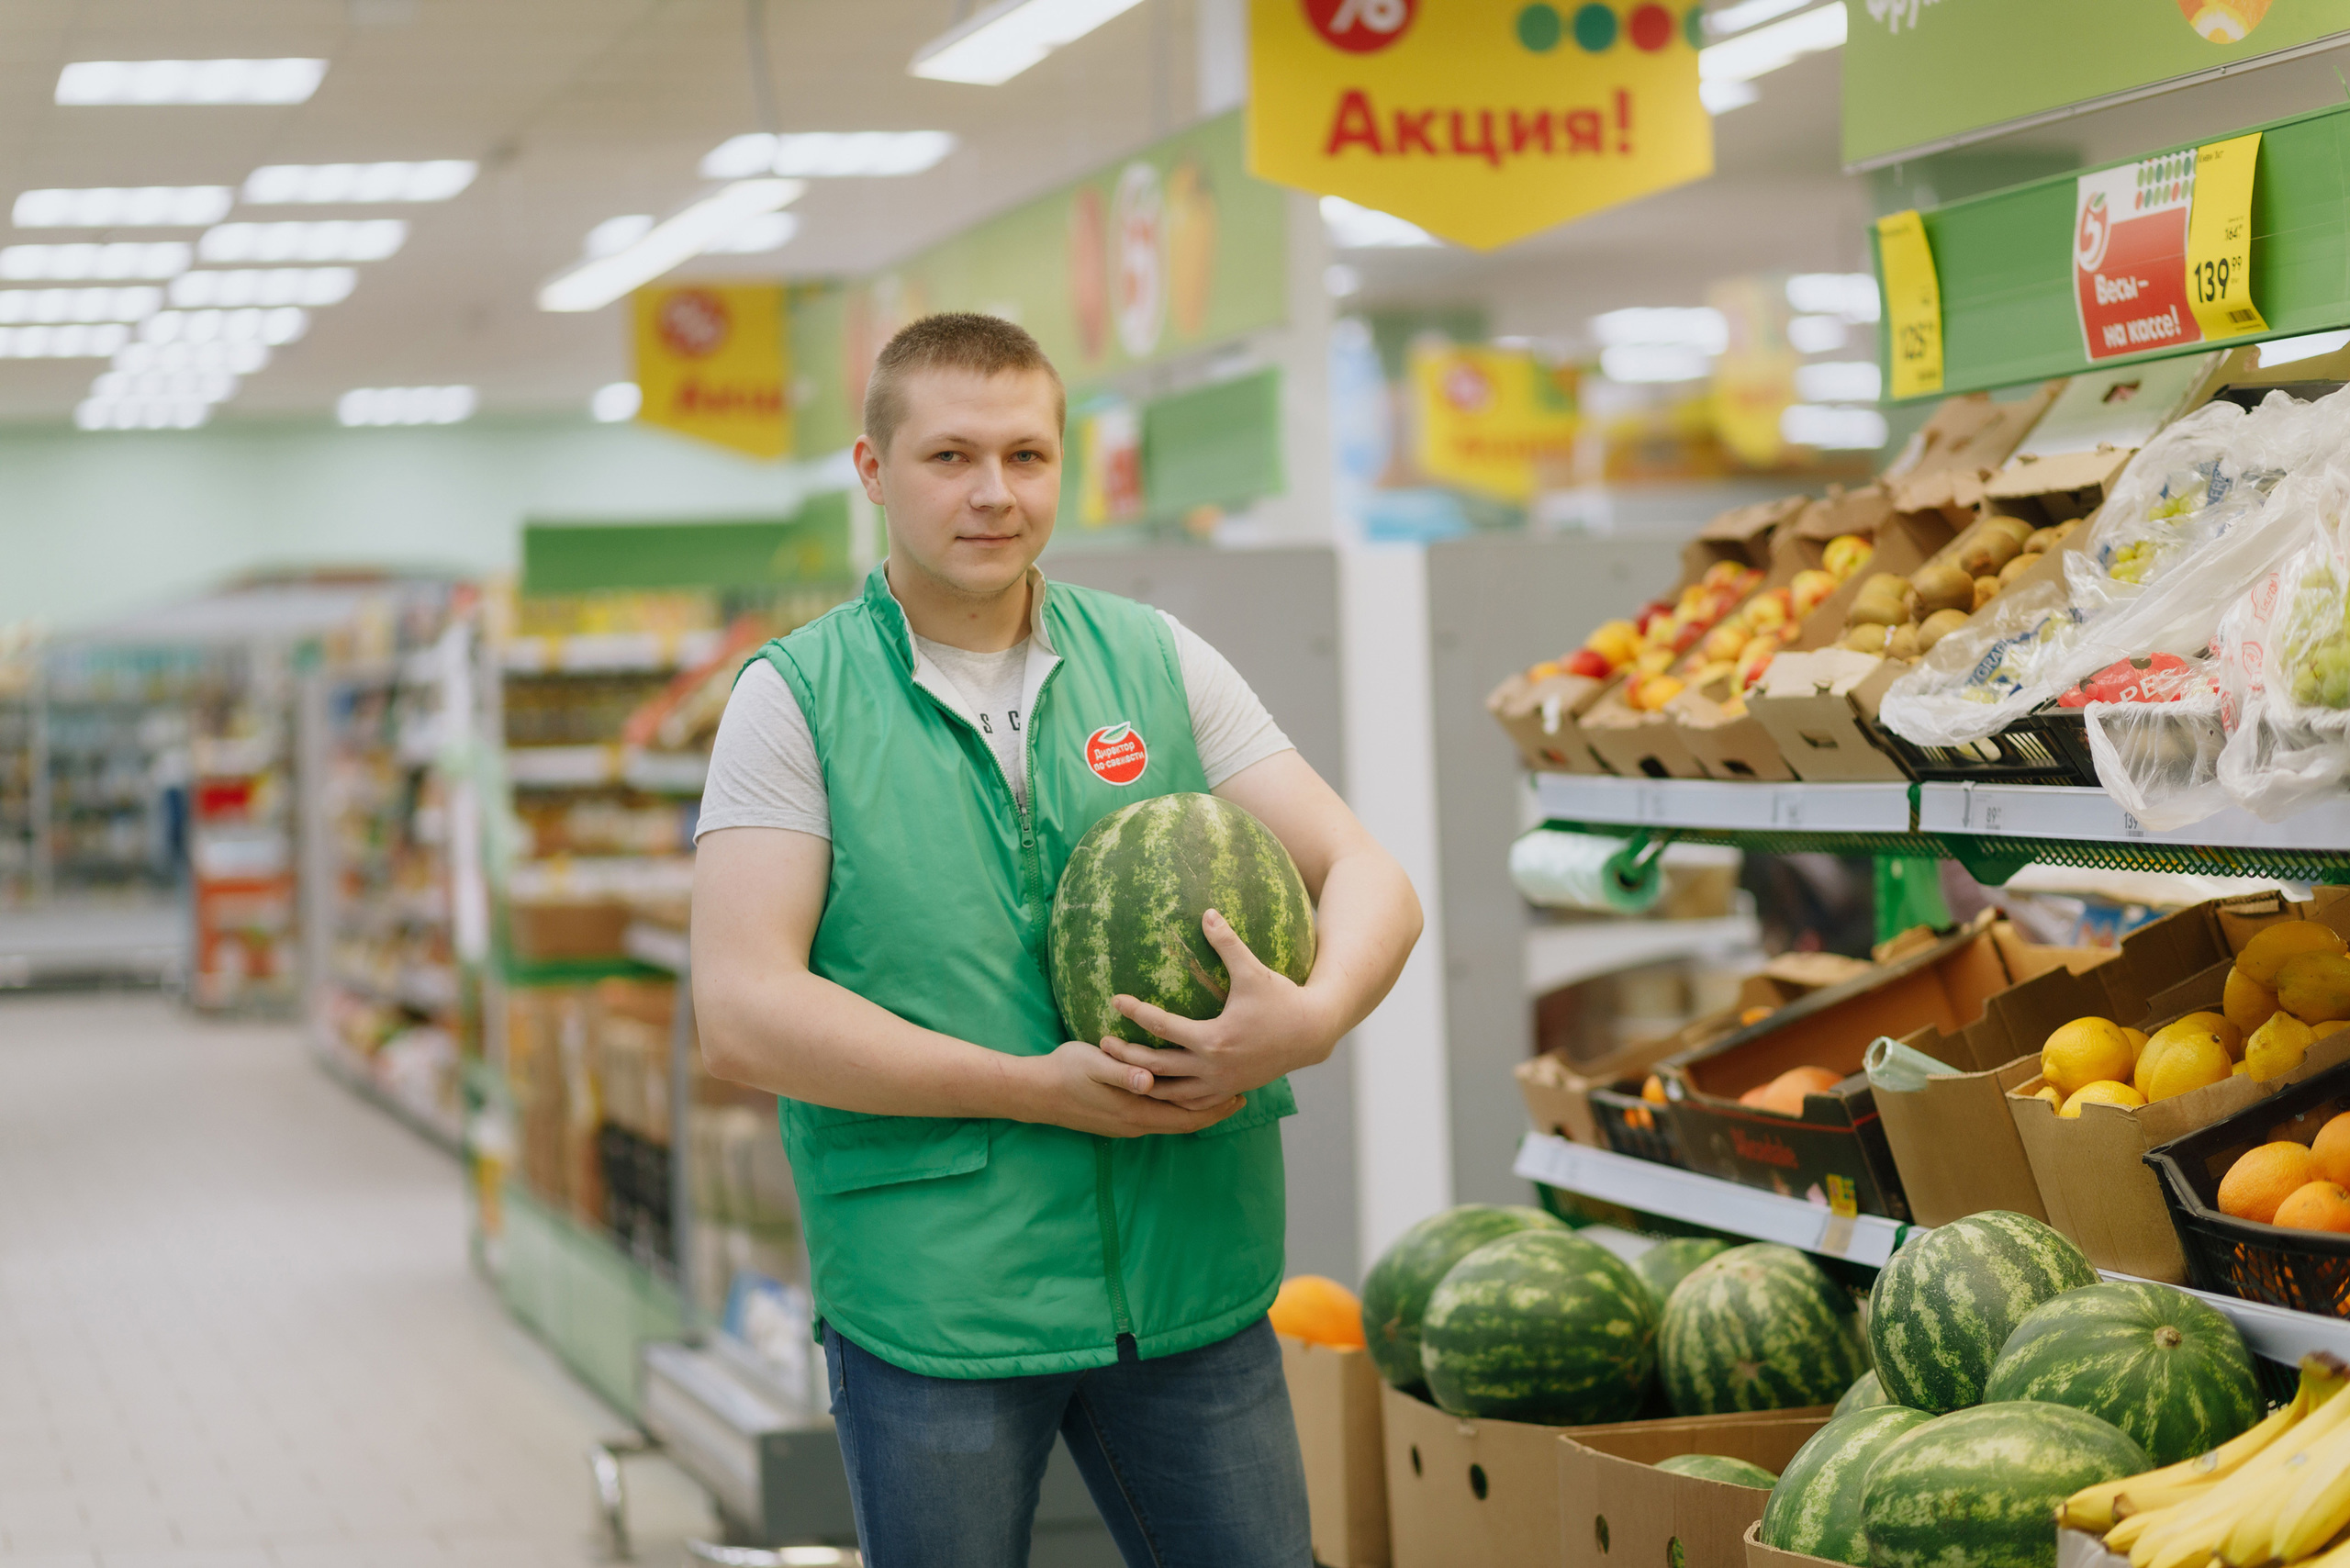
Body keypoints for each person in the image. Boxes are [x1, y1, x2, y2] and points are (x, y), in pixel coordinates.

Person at [690, 312, 1422, 1568]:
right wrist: (1029, 1087)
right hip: (939, 1301)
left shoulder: (1154, 657)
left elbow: (1367, 874)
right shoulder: (796, 698)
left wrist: (1312, 1017)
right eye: (951, 457)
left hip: (1191, 1278)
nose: (995, 493)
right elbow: (744, 1010)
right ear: (874, 471)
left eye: (1026, 456)